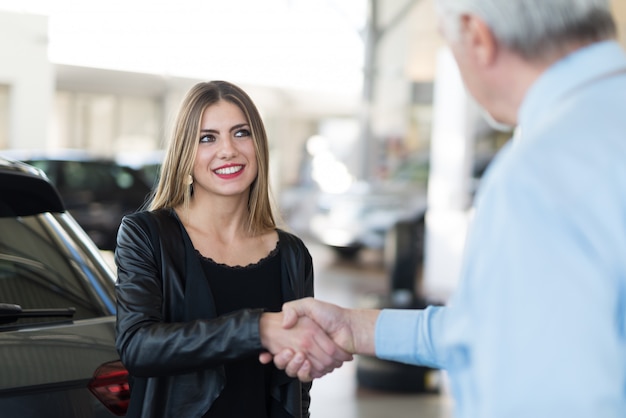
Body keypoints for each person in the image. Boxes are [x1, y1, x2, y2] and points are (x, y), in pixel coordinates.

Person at [263, 1, 626, 417]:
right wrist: (356, 327)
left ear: (476, 36)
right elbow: (502, 331)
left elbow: (547, 398)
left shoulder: (542, 169)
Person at [115, 80, 350, 418]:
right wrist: (257, 329)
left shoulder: (292, 255)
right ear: (186, 153)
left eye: (241, 133)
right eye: (207, 138)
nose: (228, 149)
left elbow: (297, 390)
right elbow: (137, 346)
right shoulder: (147, 235)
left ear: (259, 145)